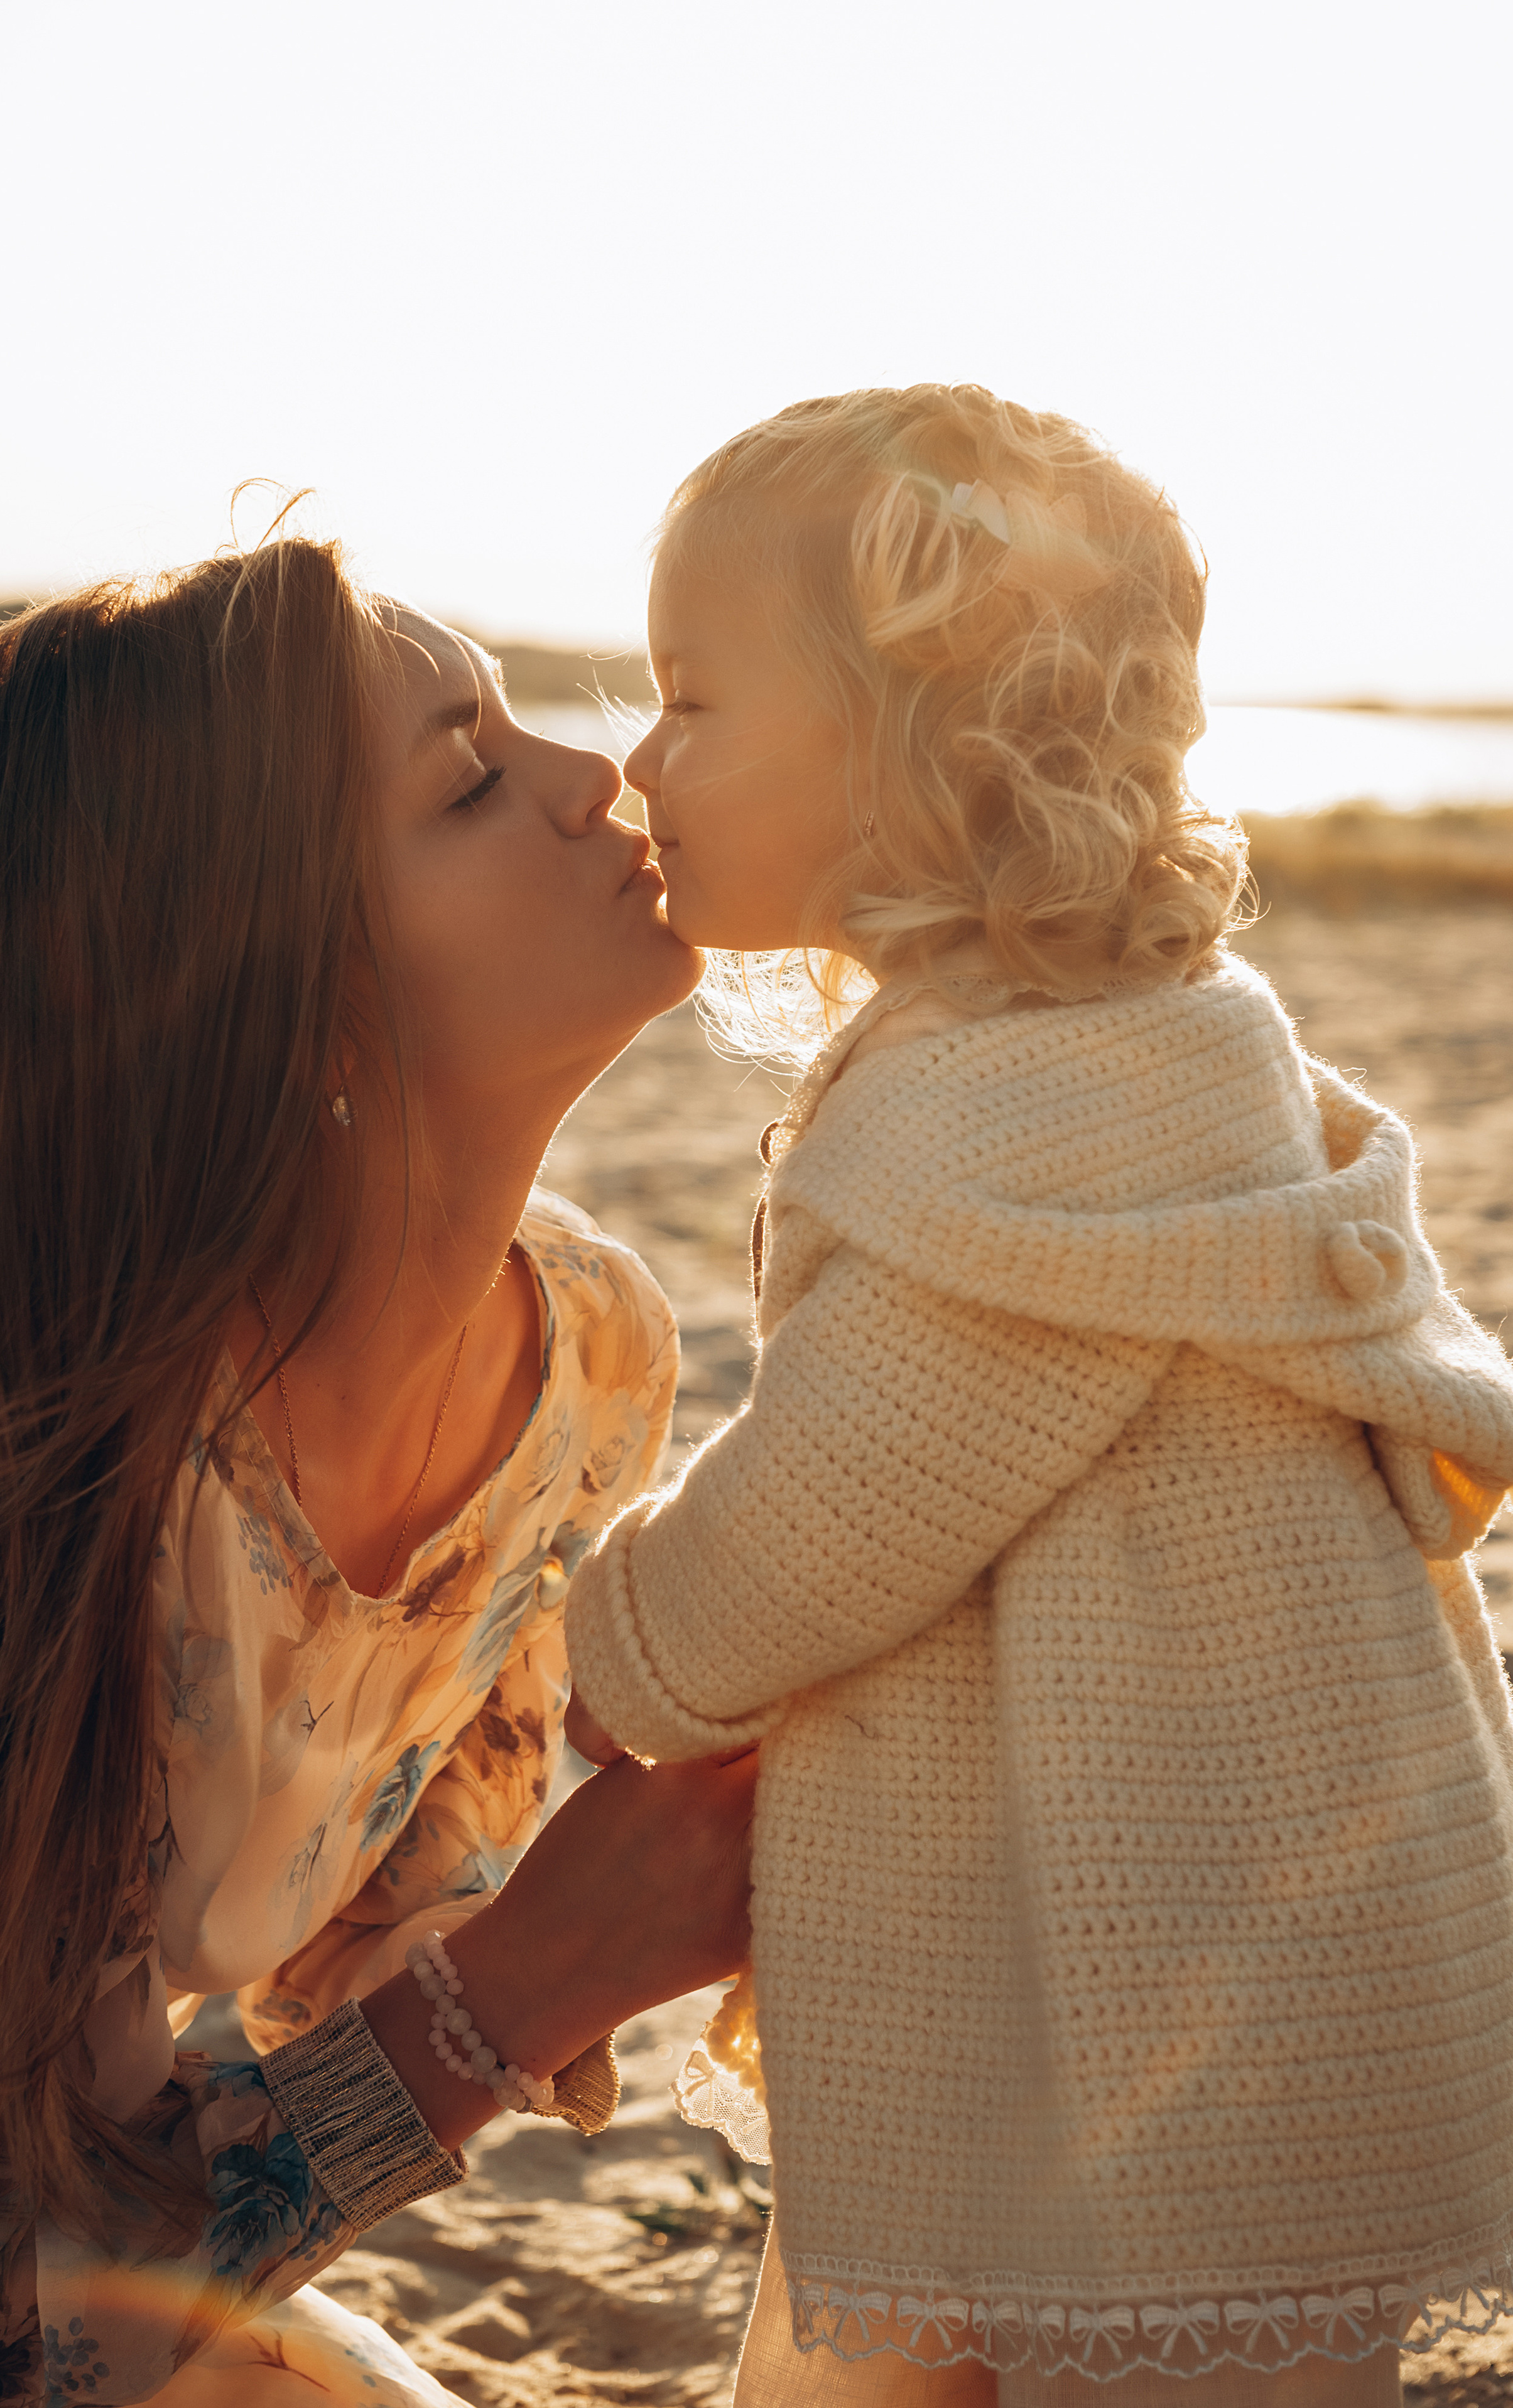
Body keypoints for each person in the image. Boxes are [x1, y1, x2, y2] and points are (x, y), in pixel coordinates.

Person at [561, 384, 1513, 2408]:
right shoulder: (1168, 1041)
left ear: (923, 747)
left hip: (1130, 2015)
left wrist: (614, 1636)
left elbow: (806, 1542)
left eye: (694, 699)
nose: (640, 763)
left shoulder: (1008, 1109)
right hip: (1260, 1948)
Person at [0, 536, 756, 2407]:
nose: (595, 775)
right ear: (284, 1004)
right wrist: (531, 1982)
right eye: (467, 784)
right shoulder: (42, 1485)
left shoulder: (593, 1359)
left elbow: (363, 1968)